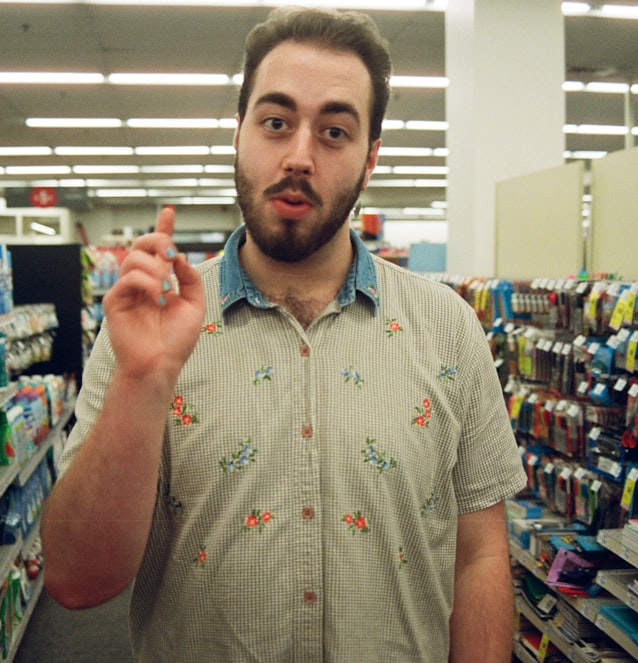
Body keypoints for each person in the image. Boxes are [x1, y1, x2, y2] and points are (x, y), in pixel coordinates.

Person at [41, 7, 527, 662]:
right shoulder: (147, 330)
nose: (299, 156)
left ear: (370, 157)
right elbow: (74, 579)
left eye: (333, 130)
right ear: (239, 132)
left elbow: (481, 554)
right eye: (275, 122)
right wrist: (141, 381)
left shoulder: (448, 328)